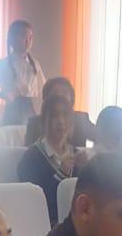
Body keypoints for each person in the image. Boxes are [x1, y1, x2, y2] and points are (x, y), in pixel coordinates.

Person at [18, 93, 83, 226]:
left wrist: (87, 171)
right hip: (47, 226)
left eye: (65, 115)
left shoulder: (77, 155)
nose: (61, 121)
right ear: (44, 121)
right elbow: (36, 202)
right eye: (54, 116)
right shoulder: (31, 158)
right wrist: (62, 173)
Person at [0, 20, 45, 126]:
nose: (27, 41)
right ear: (13, 39)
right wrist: (3, 95)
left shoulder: (35, 65)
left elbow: (43, 90)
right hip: (12, 114)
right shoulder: (3, 65)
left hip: (33, 114)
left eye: (30, 37)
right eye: (23, 36)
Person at [23, 77, 94, 148]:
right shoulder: (35, 123)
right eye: (55, 94)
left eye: (64, 93)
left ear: (72, 98)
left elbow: (99, 138)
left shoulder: (81, 120)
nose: (60, 97)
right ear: (46, 99)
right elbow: (29, 149)